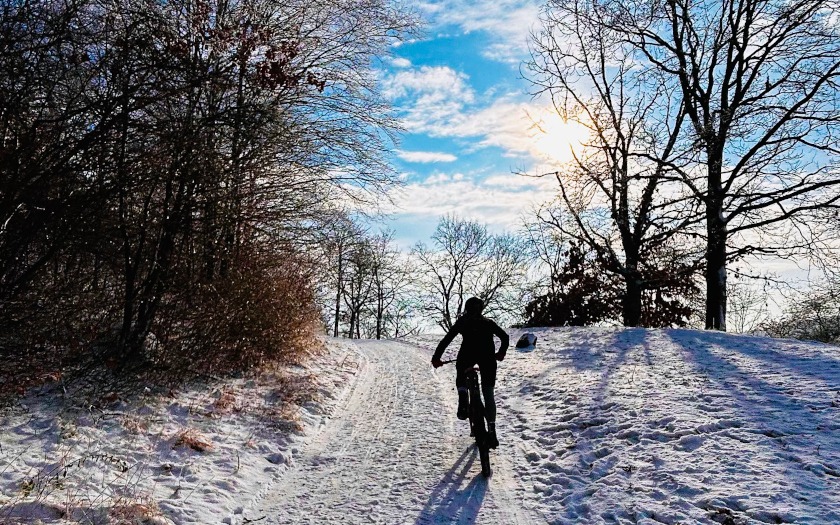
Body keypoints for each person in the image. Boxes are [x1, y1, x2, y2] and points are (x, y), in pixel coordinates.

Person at [431, 297, 509, 448]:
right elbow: (504, 337)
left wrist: (436, 358)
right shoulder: (488, 322)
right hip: (487, 357)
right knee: (488, 394)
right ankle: (492, 431)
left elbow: (447, 339)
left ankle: (462, 399)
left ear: (466, 309)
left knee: (461, 369)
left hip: (467, 355)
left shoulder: (463, 321)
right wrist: (501, 353)